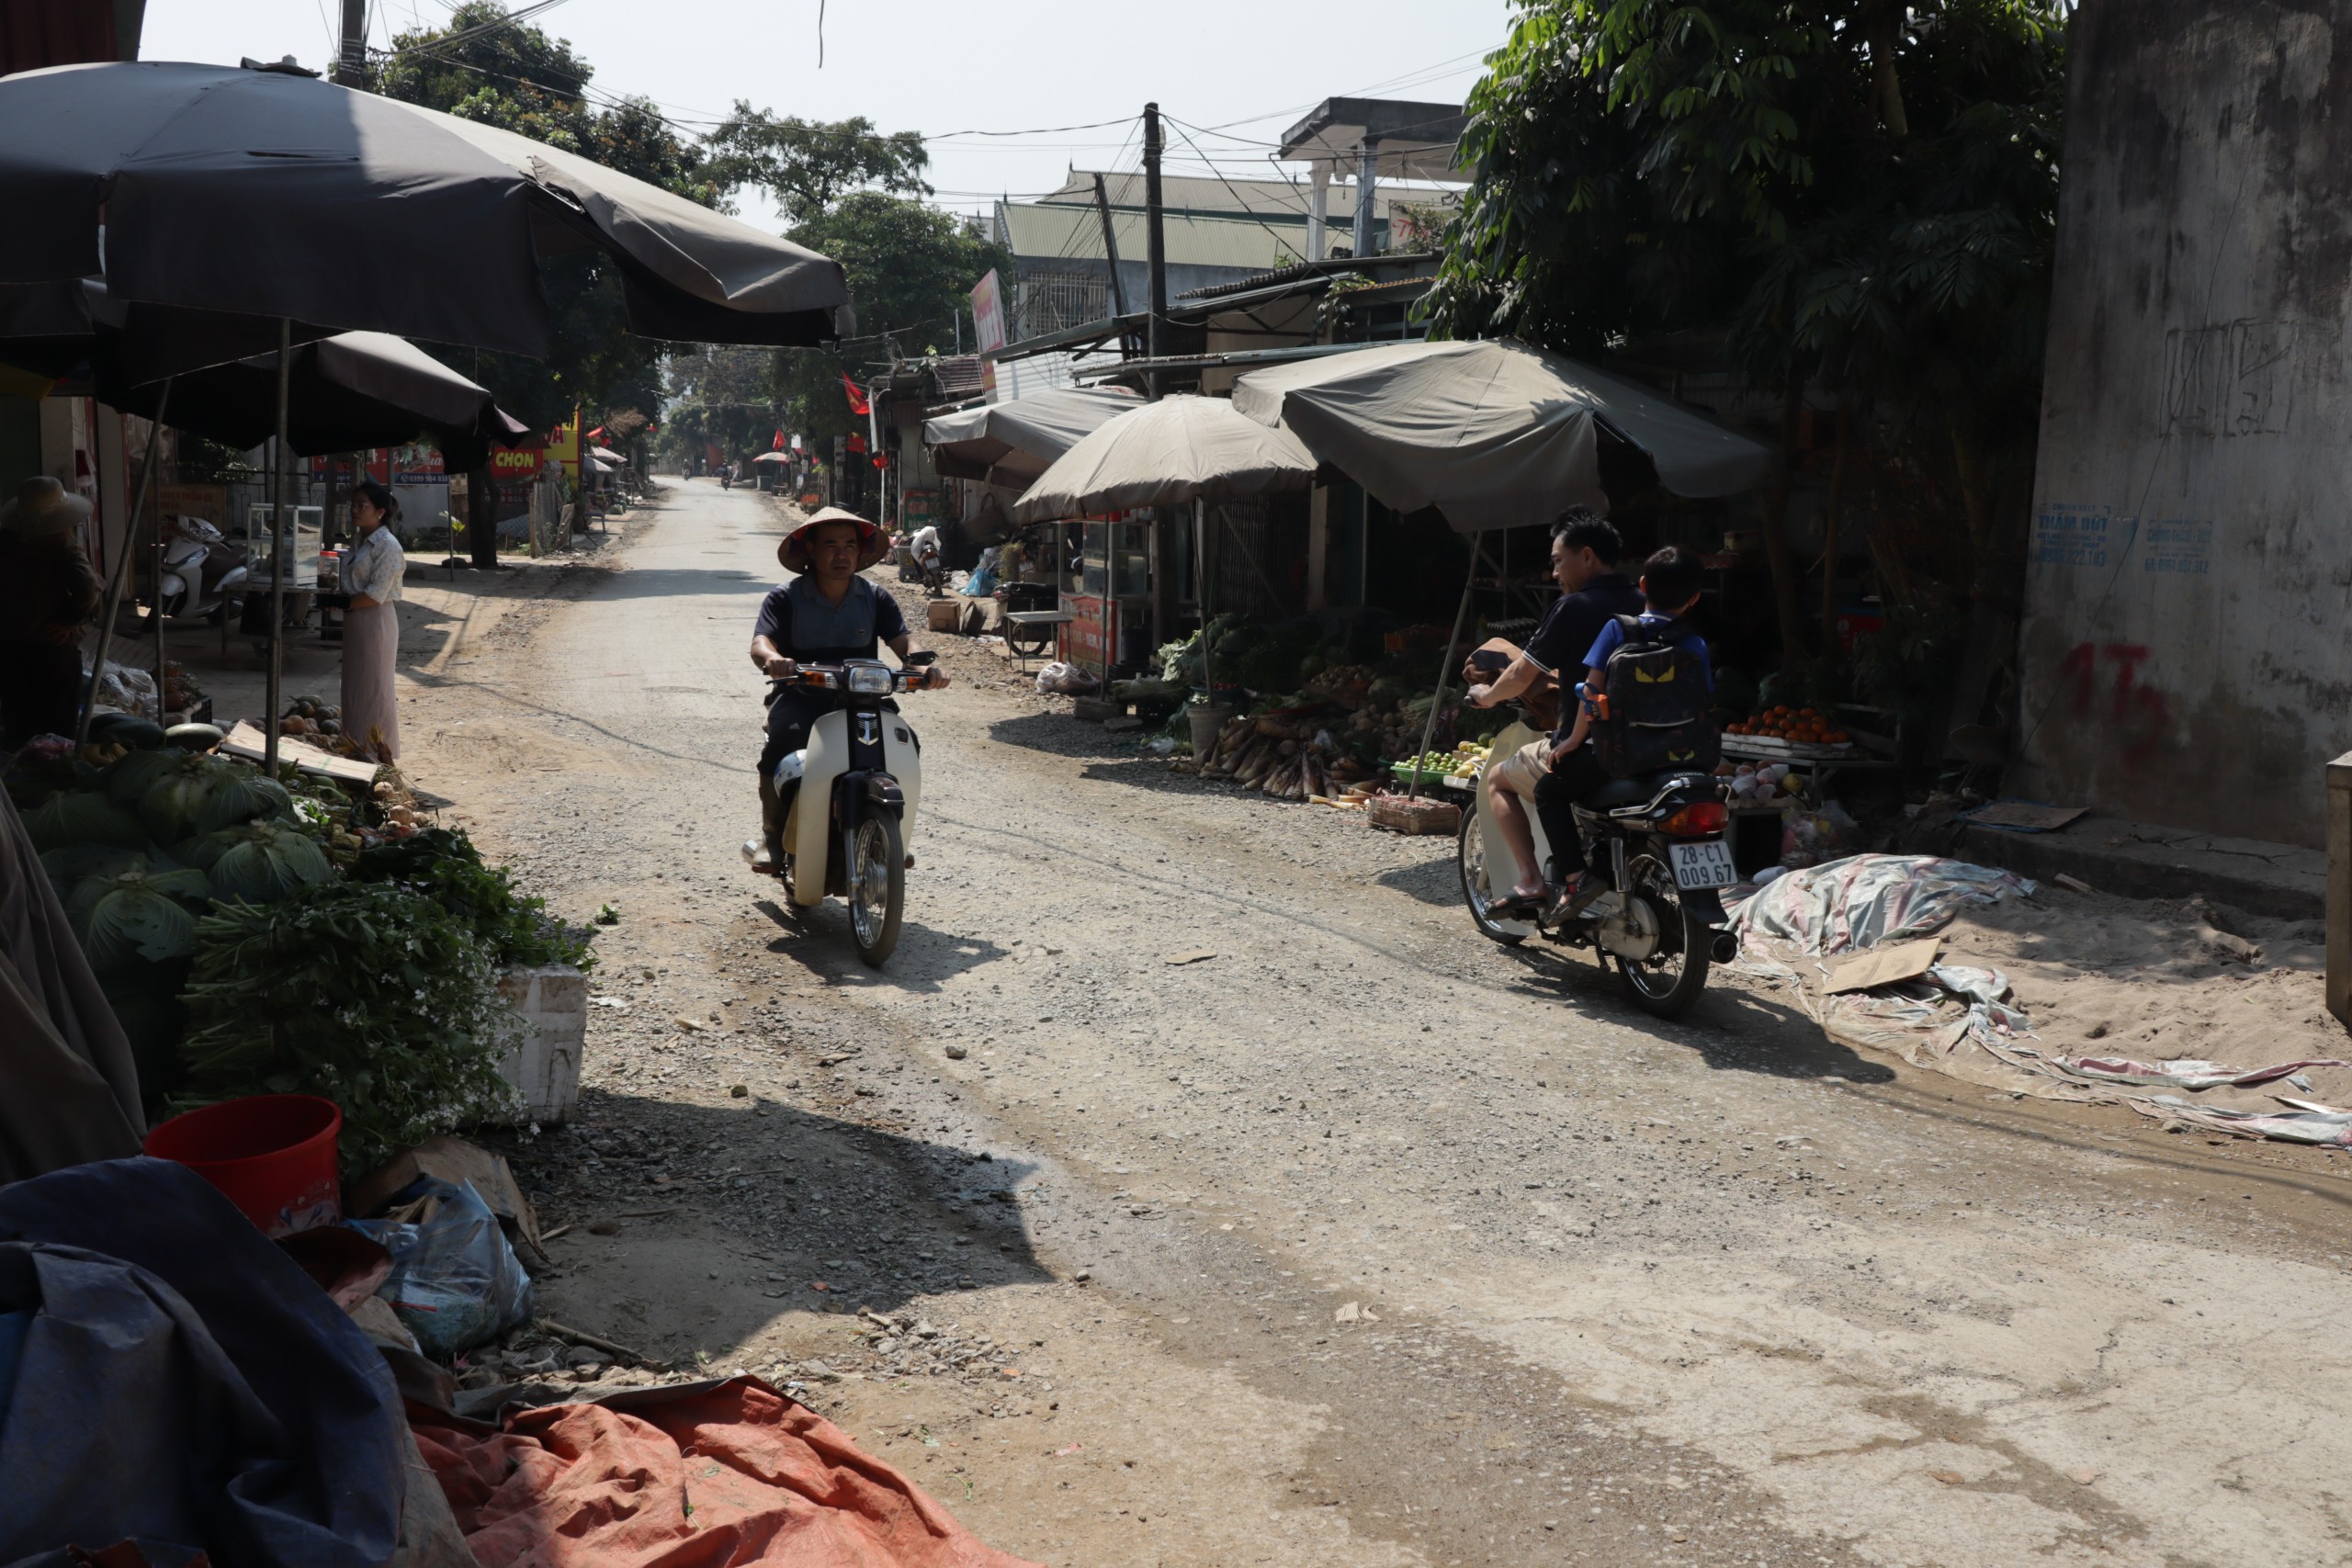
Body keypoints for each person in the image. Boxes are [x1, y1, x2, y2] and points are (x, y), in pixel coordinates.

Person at [1463, 508, 1644, 915]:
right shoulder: (1643, 601)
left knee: (1499, 781)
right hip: (1650, 744)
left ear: (1587, 557)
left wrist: (1488, 696)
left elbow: (1524, 673)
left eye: (1559, 561)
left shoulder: (1573, 608)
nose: (1555, 573)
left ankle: (1531, 880)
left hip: (1595, 744)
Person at [749, 508, 949, 873]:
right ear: (810, 550)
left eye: (849, 546)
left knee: (905, 745)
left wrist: (923, 667)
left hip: (864, 697)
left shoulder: (875, 597)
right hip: (801, 694)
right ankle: (773, 838)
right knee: (781, 745)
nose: (841, 555)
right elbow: (761, 642)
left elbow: (904, 640)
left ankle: (893, 838)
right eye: (830, 545)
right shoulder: (785, 598)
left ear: (860, 552)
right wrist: (775, 660)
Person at [1537, 545, 1715, 912]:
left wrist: (1571, 742)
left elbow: (1591, 693)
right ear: (1695, 598)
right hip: (1681, 758)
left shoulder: (1618, 629)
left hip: (1619, 757)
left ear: (1643, 584)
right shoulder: (1694, 643)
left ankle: (1576, 879)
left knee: (1549, 792)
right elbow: (1704, 704)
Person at [0, 477, 102, 748]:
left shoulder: (4, 544)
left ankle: (19, 783)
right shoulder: (62, 547)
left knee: (18, 725)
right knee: (56, 734)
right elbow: (89, 588)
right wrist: (69, 619)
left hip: (9, 651)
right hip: (53, 650)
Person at [340, 479, 406, 761]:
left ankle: (378, 755)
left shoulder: (388, 545)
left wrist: (342, 603)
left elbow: (376, 594)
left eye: (361, 505)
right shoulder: (358, 542)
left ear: (380, 511)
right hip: (355, 620)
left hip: (375, 621)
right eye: (353, 504)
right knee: (355, 688)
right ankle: (355, 750)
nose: (355, 510)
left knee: (375, 690)